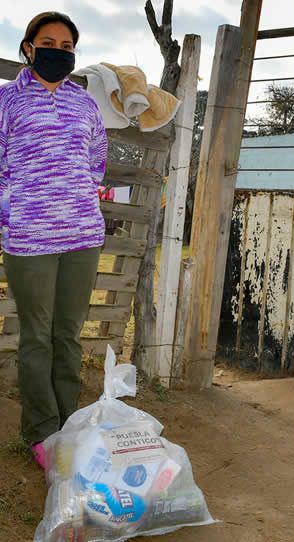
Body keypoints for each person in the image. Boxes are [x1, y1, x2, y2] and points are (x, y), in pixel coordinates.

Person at [0, 11, 107, 469]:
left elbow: (97, 158)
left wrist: (77, 198)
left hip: (83, 234)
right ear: (28, 47)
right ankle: (42, 433)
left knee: (68, 336)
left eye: (67, 46)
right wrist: (13, 209)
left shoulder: (84, 104)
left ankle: (70, 423)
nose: (58, 52)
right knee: (37, 338)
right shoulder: (7, 101)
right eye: (49, 42)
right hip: (28, 238)